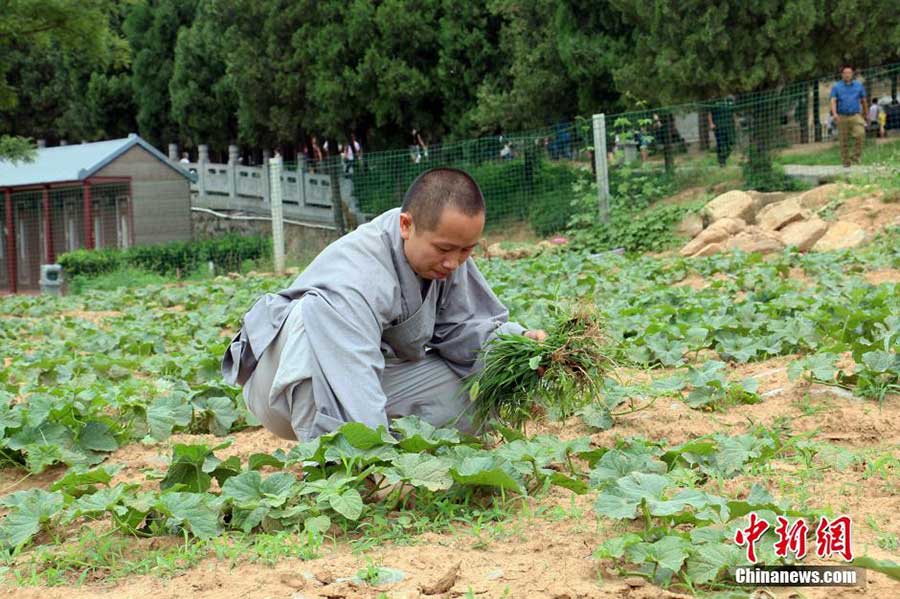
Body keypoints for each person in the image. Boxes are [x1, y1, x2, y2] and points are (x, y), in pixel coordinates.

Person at [221, 168, 547, 441]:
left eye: (466, 251)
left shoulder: (446, 259)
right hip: (282, 388)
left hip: (367, 372)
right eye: (445, 249)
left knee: (464, 401)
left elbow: (467, 331)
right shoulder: (358, 276)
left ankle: (381, 443)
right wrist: (373, 453)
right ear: (406, 226)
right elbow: (351, 370)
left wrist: (516, 349)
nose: (454, 263)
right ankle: (334, 462)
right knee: (314, 315)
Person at [830, 65, 868, 167]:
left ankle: (855, 156)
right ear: (842, 75)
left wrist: (866, 114)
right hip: (842, 116)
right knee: (843, 140)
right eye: (845, 73)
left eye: (849, 73)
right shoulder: (836, 87)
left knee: (860, 134)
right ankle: (846, 162)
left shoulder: (858, 86)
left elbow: (864, 101)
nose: (847, 75)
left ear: (852, 74)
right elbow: (833, 101)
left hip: (855, 115)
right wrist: (834, 113)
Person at [707, 96, 736, 167]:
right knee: (721, 144)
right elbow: (710, 113)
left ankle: (724, 157)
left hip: (729, 127)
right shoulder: (714, 100)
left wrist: (736, 122)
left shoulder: (730, 99)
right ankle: (722, 162)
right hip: (718, 126)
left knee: (731, 144)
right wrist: (711, 123)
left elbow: (733, 112)